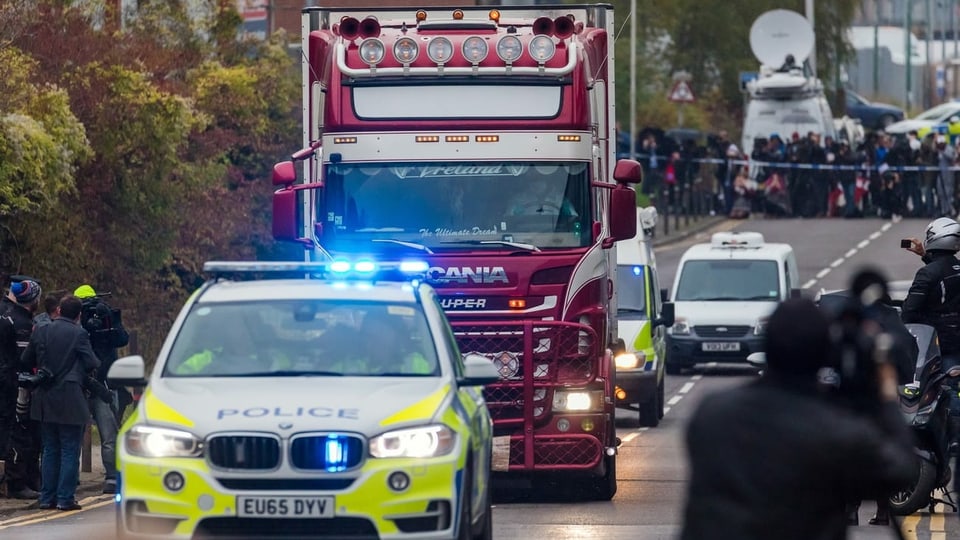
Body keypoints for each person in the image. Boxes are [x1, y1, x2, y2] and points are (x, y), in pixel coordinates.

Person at [680, 298, 916, 540]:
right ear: (825, 354)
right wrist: (883, 395)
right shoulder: (833, 431)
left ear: (767, 347)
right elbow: (899, 470)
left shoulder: (711, 413)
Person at [21, 295, 100, 511]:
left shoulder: (42, 331)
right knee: (69, 449)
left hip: (45, 397)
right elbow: (91, 362)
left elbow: (26, 360)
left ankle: (47, 497)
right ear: (78, 315)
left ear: (58, 311)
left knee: (49, 449)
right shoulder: (79, 334)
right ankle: (65, 498)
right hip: (70, 398)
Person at [901, 218, 960, 485]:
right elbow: (945, 277)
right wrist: (925, 257)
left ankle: (945, 440)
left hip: (939, 345)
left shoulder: (928, 274)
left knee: (937, 394)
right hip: (955, 344)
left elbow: (909, 311)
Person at [73, 284, 128, 494]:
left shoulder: (103, 317)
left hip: (96, 383)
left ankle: (78, 477)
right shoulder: (77, 322)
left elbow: (122, 339)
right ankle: (112, 477)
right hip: (96, 382)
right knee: (108, 434)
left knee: (78, 434)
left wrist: (111, 321)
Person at [0, 277, 42, 499]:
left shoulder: (5, 314)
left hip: (6, 379)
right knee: (19, 433)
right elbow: (25, 359)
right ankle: (17, 481)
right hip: (14, 383)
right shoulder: (22, 323)